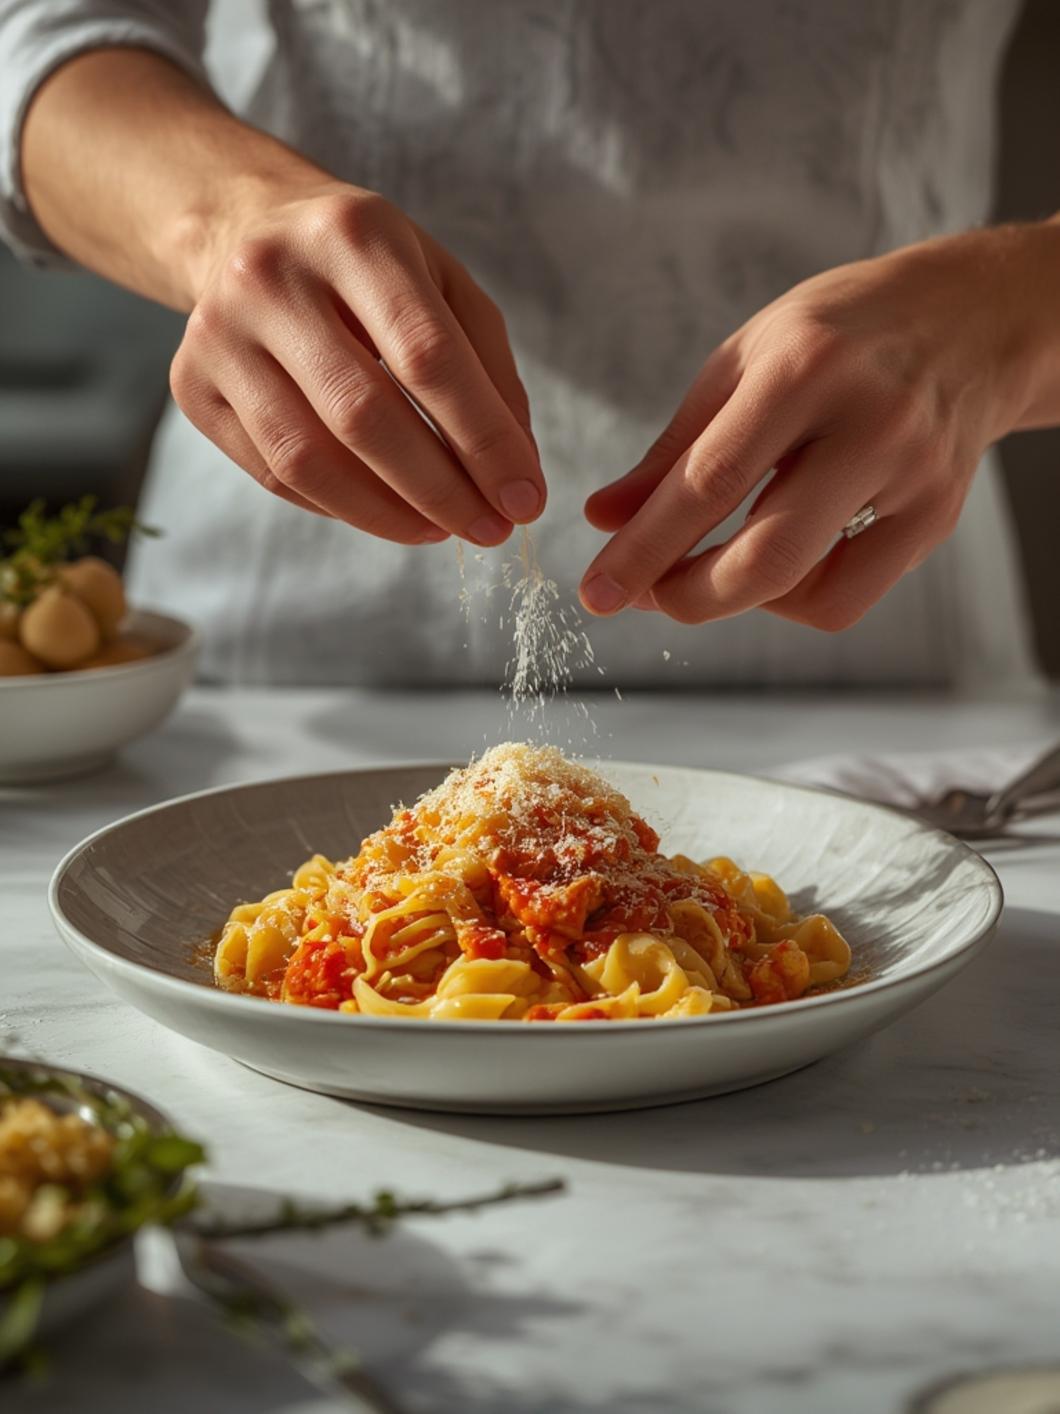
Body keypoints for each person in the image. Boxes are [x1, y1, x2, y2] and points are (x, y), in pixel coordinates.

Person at [0, 1, 1054, 689]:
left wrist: (1005, 310)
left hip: (885, 655)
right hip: (280, 664)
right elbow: (36, 38)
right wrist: (221, 218)